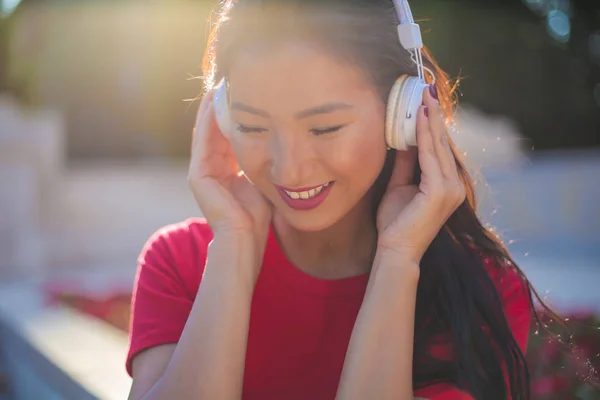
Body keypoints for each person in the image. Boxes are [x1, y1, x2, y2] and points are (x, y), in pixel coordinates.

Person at [126, 1, 547, 399]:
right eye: (252, 127)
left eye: (324, 128)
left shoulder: (479, 288)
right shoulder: (179, 262)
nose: (288, 171)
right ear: (221, 118)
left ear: (401, 115)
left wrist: (397, 261)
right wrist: (234, 246)